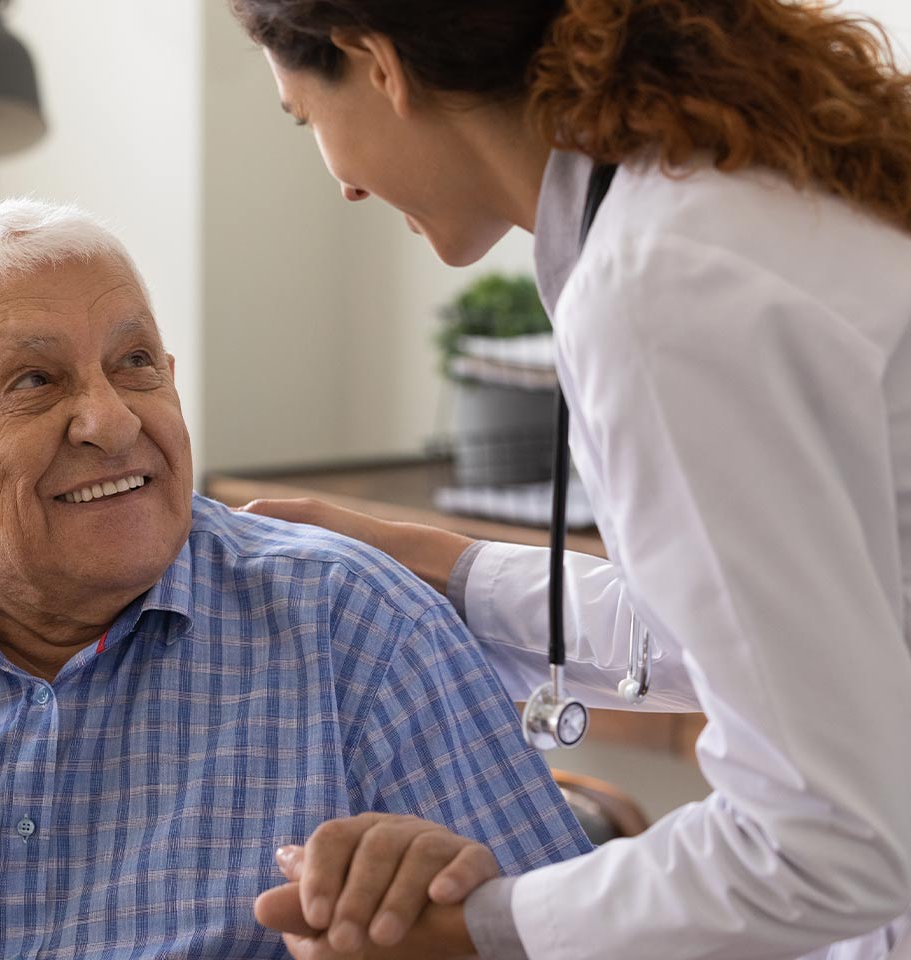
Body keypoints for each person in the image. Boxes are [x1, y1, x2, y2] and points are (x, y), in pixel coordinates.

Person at [0, 198, 591, 959]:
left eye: (134, 363)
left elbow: (565, 943)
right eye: (34, 382)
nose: (109, 419)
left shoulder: (353, 628)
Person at [226, 0, 911, 958]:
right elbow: (776, 628)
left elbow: (825, 844)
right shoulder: (727, 192)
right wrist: (457, 573)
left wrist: (477, 930)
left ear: (377, 63)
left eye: (307, 120)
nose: (338, 184)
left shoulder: (659, 287)